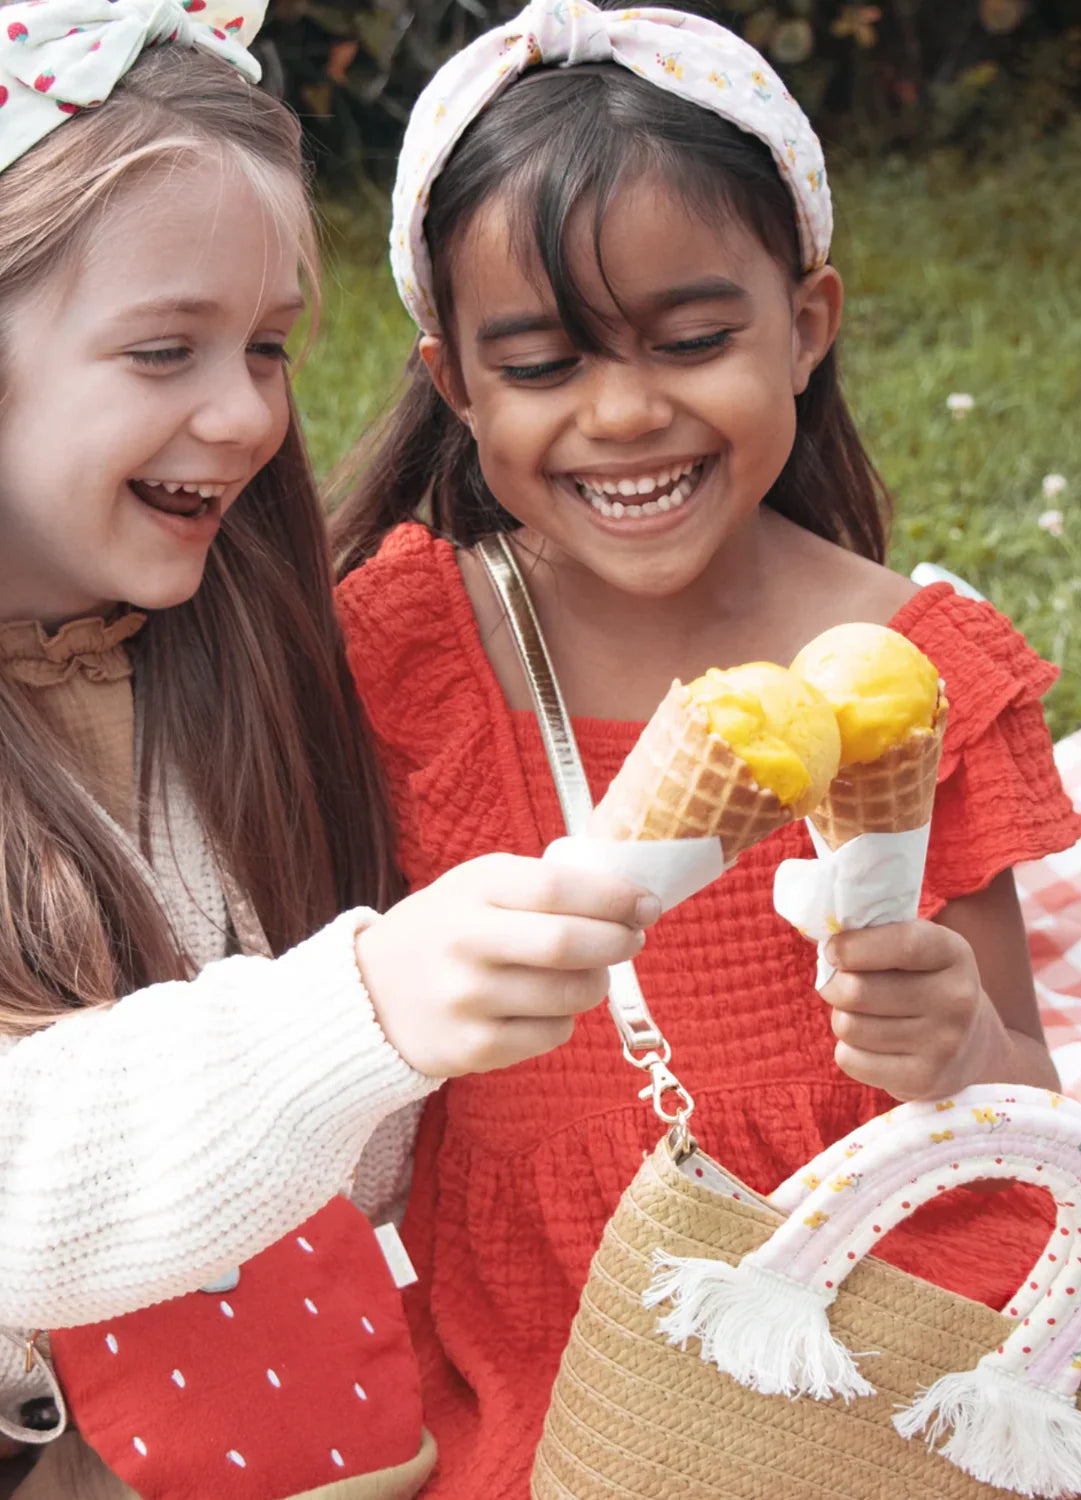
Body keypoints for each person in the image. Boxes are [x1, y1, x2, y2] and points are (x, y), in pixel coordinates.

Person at [332, 1, 1081, 1493]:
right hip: (547, 1336)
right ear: (452, 383)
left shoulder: (923, 669)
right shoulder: (408, 647)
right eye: (541, 366)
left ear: (806, 324)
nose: (624, 411)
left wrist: (960, 1045)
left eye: (691, 340)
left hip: (882, 1305)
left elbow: (1018, 1091)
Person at [0, 2, 654, 1492]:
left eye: (270, 346)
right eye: (165, 349)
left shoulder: (236, 665)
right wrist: (357, 1008)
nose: (241, 414)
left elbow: (347, 1170)